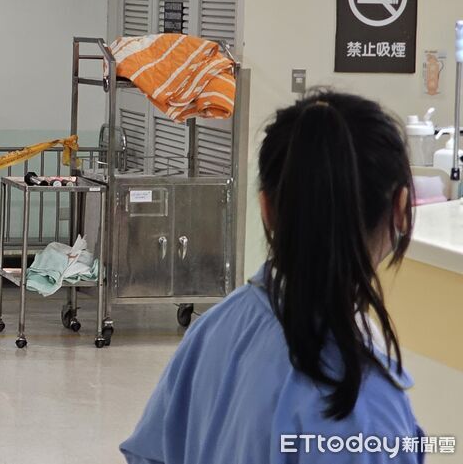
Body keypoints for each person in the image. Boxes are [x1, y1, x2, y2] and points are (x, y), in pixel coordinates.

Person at [121, 91, 424, 463]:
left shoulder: (217, 329)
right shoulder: (364, 408)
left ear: (265, 208)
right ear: (401, 208)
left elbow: (148, 454)